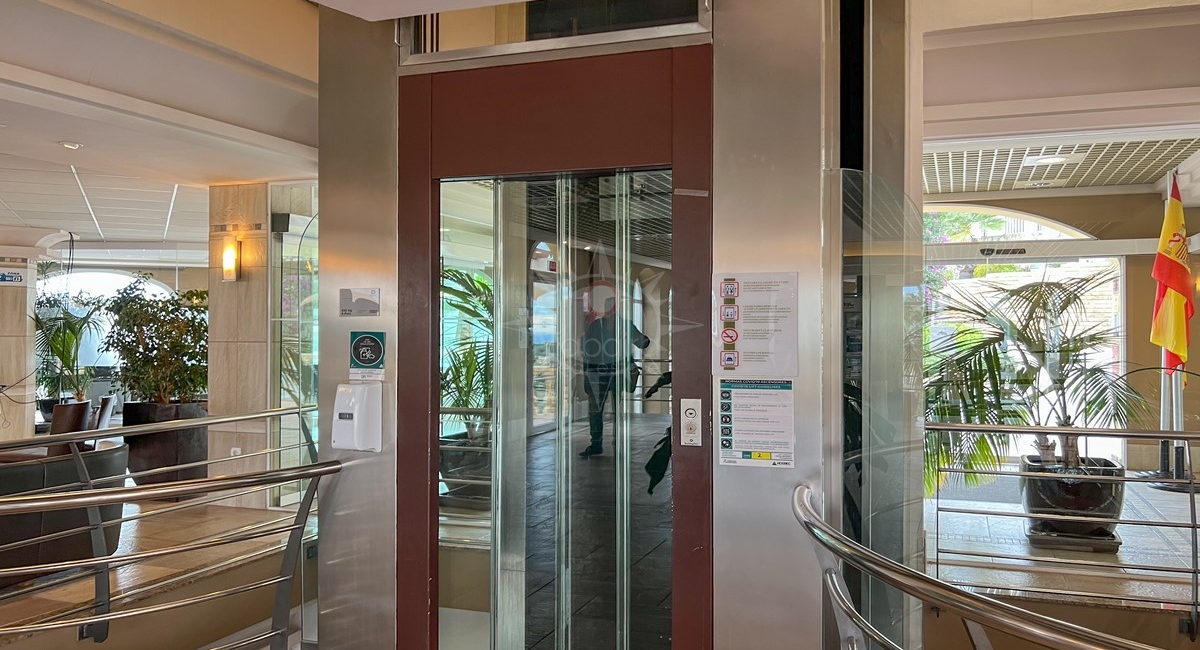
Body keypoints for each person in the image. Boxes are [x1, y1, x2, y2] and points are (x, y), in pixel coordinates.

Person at [579, 297, 650, 457]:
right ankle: (598, 442)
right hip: (599, 372)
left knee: (612, 410)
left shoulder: (622, 325)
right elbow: (587, 350)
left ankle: (612, 441)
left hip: (614, 371)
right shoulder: (598, 326)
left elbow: (642, 342)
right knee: (597, 410)